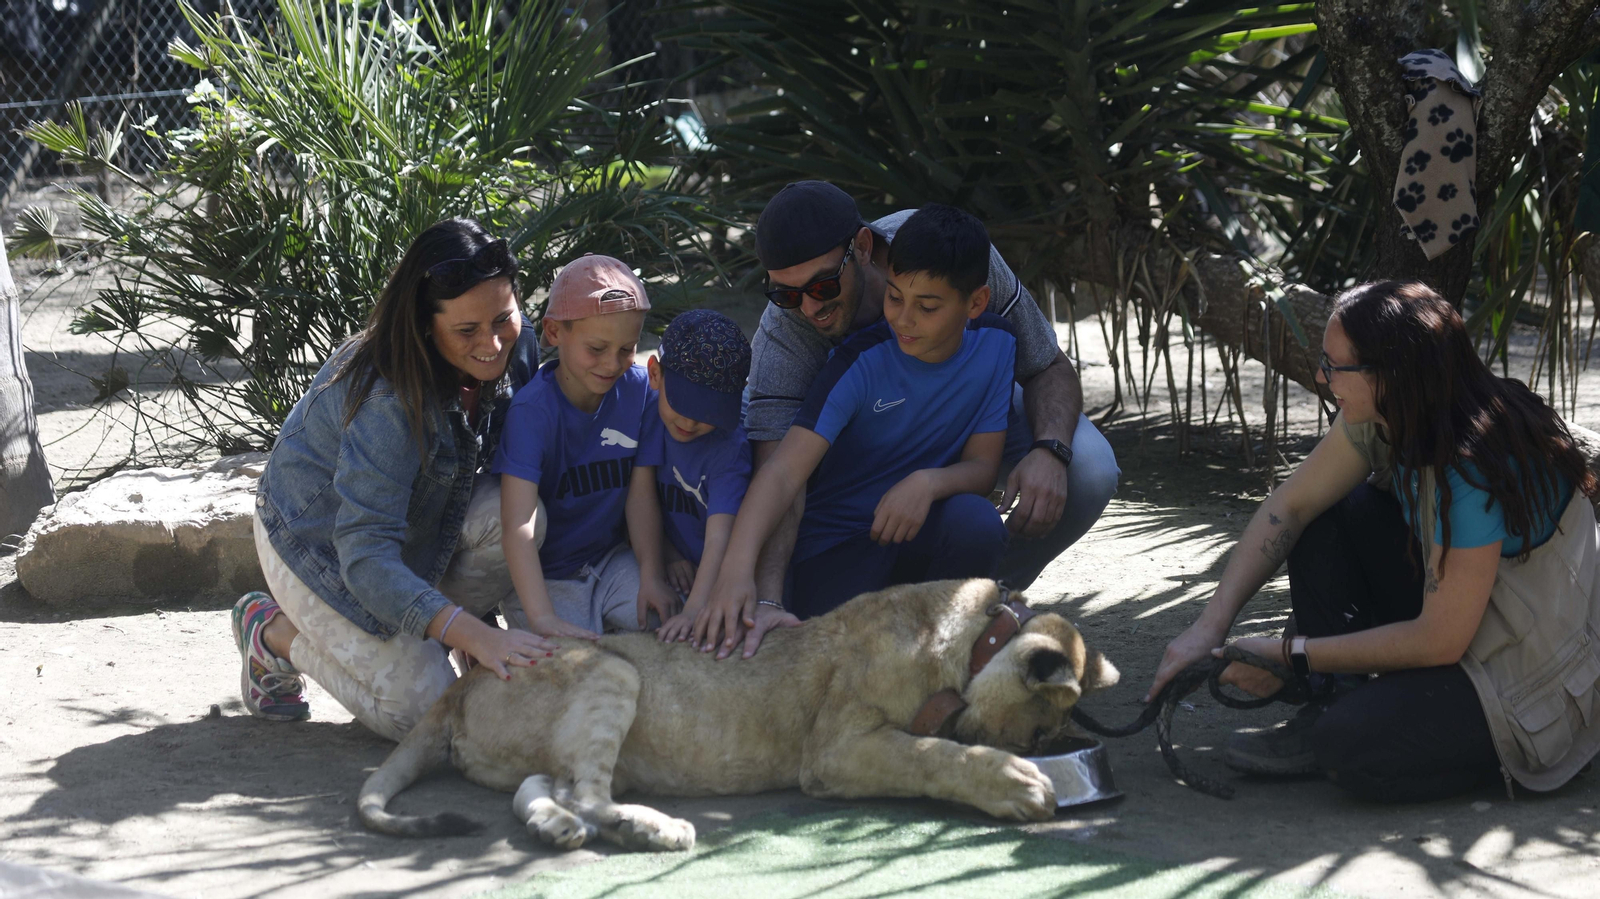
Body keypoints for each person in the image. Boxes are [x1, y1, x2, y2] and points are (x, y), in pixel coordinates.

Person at [1147, 280, 1600, 802]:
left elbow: (1440, 640)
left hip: (1526, 673)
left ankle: (1453, 745)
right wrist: (1210, 627)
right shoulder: (1389, 412)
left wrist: (1291, 654)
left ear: (1393, 374)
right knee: (1327, 515)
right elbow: (1288, 507)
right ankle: (1337, 698)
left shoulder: (1471, 466)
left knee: (1351, 748)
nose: (1321, 376)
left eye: (1337, 367)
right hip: (1463, 613)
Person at [696, 181, 1119, 656]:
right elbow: (780, 476)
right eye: (787, 294)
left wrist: (1050, 451)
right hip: (850, 453)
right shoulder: (794, 339)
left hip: (950, 416)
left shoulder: (945, 251)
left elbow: (1045, 364)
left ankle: (982, 599)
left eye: (822, 285)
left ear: (862, 248)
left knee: (1088, 468)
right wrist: (765, 593)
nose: (809, 307)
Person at [234, 218, 549, 741]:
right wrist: (474, 634)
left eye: (504, 318)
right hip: (319, 546)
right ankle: (273, 634)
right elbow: (365, 554)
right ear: (426, 325)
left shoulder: (518, 346)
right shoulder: (387, 396)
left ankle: (442, 640)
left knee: (521, 520)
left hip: (423, 524)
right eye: (466, 331)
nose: (493, 344)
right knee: (424, 715)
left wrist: (481, 634)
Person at [710, 204, 1013, 621]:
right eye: (893, 296)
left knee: (977, 524)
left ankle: (947, 650)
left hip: (915, 526)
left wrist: (926, 483)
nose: (903, 319)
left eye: (926, 307)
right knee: (846, 658)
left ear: (976, 303)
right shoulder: (859, 361)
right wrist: (736, 572)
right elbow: (782, 472)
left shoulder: (998, 346)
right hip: (839, 543)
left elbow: (983, 466)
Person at [494, 254, 677, 640]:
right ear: (556, 332)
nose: (612, 364)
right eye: (596, 348)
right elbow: (518, 523)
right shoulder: (532, 411)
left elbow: (640, 494)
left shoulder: (639, 390)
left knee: (674, 619)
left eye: (627, 349)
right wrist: (542, 617)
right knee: (565, 670)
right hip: (547, 577)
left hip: (610, 562)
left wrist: (651, 575)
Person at [642, 310, 755, 643]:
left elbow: (722, 537)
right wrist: (669, 553)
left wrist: (694, 610)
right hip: (676, 559)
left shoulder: (729, 447)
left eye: (708, 413)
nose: (691, 422)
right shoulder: (647, 411)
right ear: (655, 374)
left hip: (721, 570)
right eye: (684, 404)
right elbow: (638, 496)